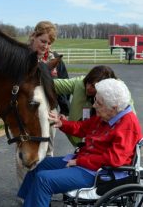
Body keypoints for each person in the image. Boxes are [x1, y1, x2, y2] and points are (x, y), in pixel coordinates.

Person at [17, 78, 142, 207]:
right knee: (39, 164)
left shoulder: (128, 125)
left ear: (114, 108)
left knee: (43, 179)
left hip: (100, 172)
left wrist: (79, 161)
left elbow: (114, 159)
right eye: (95, 100)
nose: (94, 105)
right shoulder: (109, 114)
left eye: (98, 103)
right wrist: (62, 124)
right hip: (87, 161)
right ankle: (29, 201)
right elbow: (83, 127)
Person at [54, 65, 136, 147]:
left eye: (94, 86)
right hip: (88, 148)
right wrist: (63, 123)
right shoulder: (80, 83)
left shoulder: (120, 98)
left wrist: (82, 159)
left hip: (95, 151)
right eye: (88, 82)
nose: (88, 87)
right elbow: (83, 127)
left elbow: (114, 157)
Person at [29, 20, 70, 116]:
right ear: (34, 36)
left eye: (49, 43)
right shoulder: (21, 57)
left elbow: (64, 85)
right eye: (43, 41)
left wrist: (64, 110)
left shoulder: (56, 59)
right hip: (26, 112)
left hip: (49, 112)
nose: (46, 46)